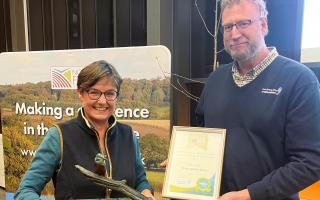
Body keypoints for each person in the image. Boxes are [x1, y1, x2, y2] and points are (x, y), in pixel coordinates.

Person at [195, 0, 320, 200]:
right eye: (228, 27)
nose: (235, 34)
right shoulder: (215, 80)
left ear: (263, 25)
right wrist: (184, 159)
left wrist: (249, 195)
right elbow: (204, 137)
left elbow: (311, 162)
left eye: (243, 23)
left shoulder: (299, 80)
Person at [14, 60, 154, 199]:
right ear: (80, 92)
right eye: (94, 92)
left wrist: (146, 193)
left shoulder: (128, 134)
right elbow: (25, 191)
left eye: (110, 93)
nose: (102, 101)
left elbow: (141, 181)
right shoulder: (59, 136)